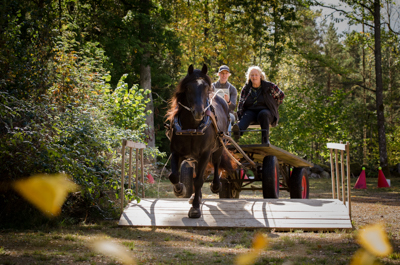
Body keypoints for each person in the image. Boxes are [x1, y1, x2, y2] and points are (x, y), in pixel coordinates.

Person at [232, 66, 285, 145]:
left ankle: (265, 140)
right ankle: (238, 132)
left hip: (266, 112)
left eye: (256, 75)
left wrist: (274, 106)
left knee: (263, 113)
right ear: (249, 77)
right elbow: (241, 103)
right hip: (251, 112)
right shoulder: (246, 88)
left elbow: (281, 95)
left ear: (260, 76)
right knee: (247, 115)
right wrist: (240, 117)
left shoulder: (269, 86)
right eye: (252, 75)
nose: (254, 77)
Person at [212, 65, 237, 132]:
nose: (224, 75)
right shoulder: (212, 87)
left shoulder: (232, 89)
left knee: (228, 118)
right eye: (222, 73)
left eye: (226, 73)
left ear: (228, 75)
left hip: (228, 113)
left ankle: (227, 139)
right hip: (214, 112)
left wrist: (228, 101)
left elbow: (233, 107)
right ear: (219, 74)